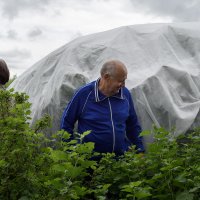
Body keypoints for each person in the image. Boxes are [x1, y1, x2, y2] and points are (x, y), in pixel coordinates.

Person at [60, 60, 144, 155]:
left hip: (121, 161)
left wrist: (139, 149)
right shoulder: (84, 94)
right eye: (121, 81)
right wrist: (70, 152)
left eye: (125, 80)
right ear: (106, 77)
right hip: (90, 161)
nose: (124, 85)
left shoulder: (125, 94)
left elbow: (132, 124)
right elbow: (66, 123)